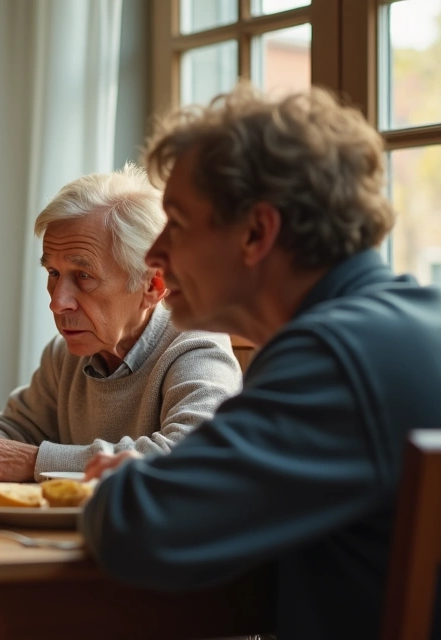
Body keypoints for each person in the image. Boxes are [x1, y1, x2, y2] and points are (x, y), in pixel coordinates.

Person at [81, 84, 441, 640]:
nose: (155, 255)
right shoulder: (413, 321)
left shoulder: (331, 357)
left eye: (175, 223)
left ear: (256, 232)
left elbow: (140, 529)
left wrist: (126, 484)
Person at [0, 165, 243, 479]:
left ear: (153, 286)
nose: (57, 302)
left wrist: (35, 461)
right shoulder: (65, 355)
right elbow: (7, 429)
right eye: (53, 273)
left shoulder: (196, 345)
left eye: (83, 276)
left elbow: (195, 455)